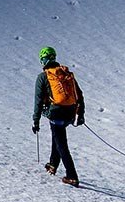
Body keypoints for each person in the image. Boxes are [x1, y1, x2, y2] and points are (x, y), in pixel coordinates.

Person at [32, 46, 85, 186]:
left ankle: (72, 175)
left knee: (61, 143)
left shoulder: (43, 77)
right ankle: (53, 164)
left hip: (56, 113)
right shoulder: (66, 74)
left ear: (43, 60)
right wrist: (80, 115)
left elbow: (38, 101)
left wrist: (35, 121)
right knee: (58, 136)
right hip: (70, 113)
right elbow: (79, 94)